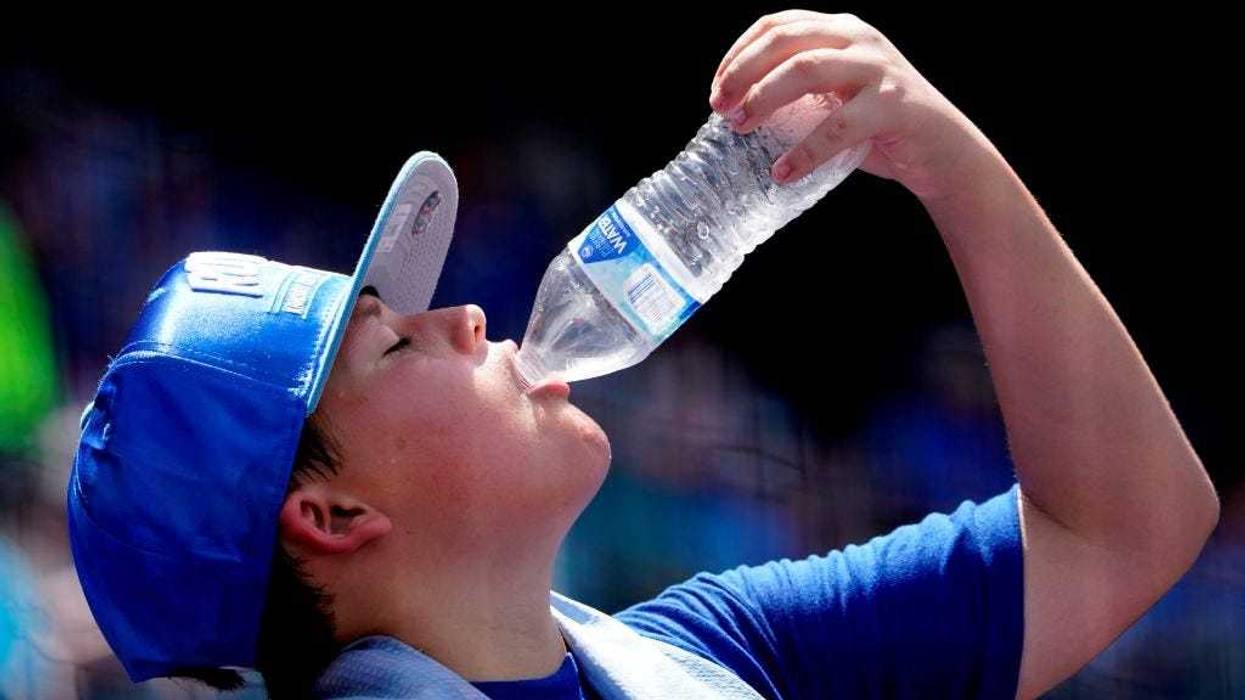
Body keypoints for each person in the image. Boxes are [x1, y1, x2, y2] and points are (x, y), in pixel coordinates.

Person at [67, 11, 1219, 699]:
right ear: (326, 513)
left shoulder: (718, 648)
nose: (467, 317)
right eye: (395, 342)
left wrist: (944, 157)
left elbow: (1127, 527)